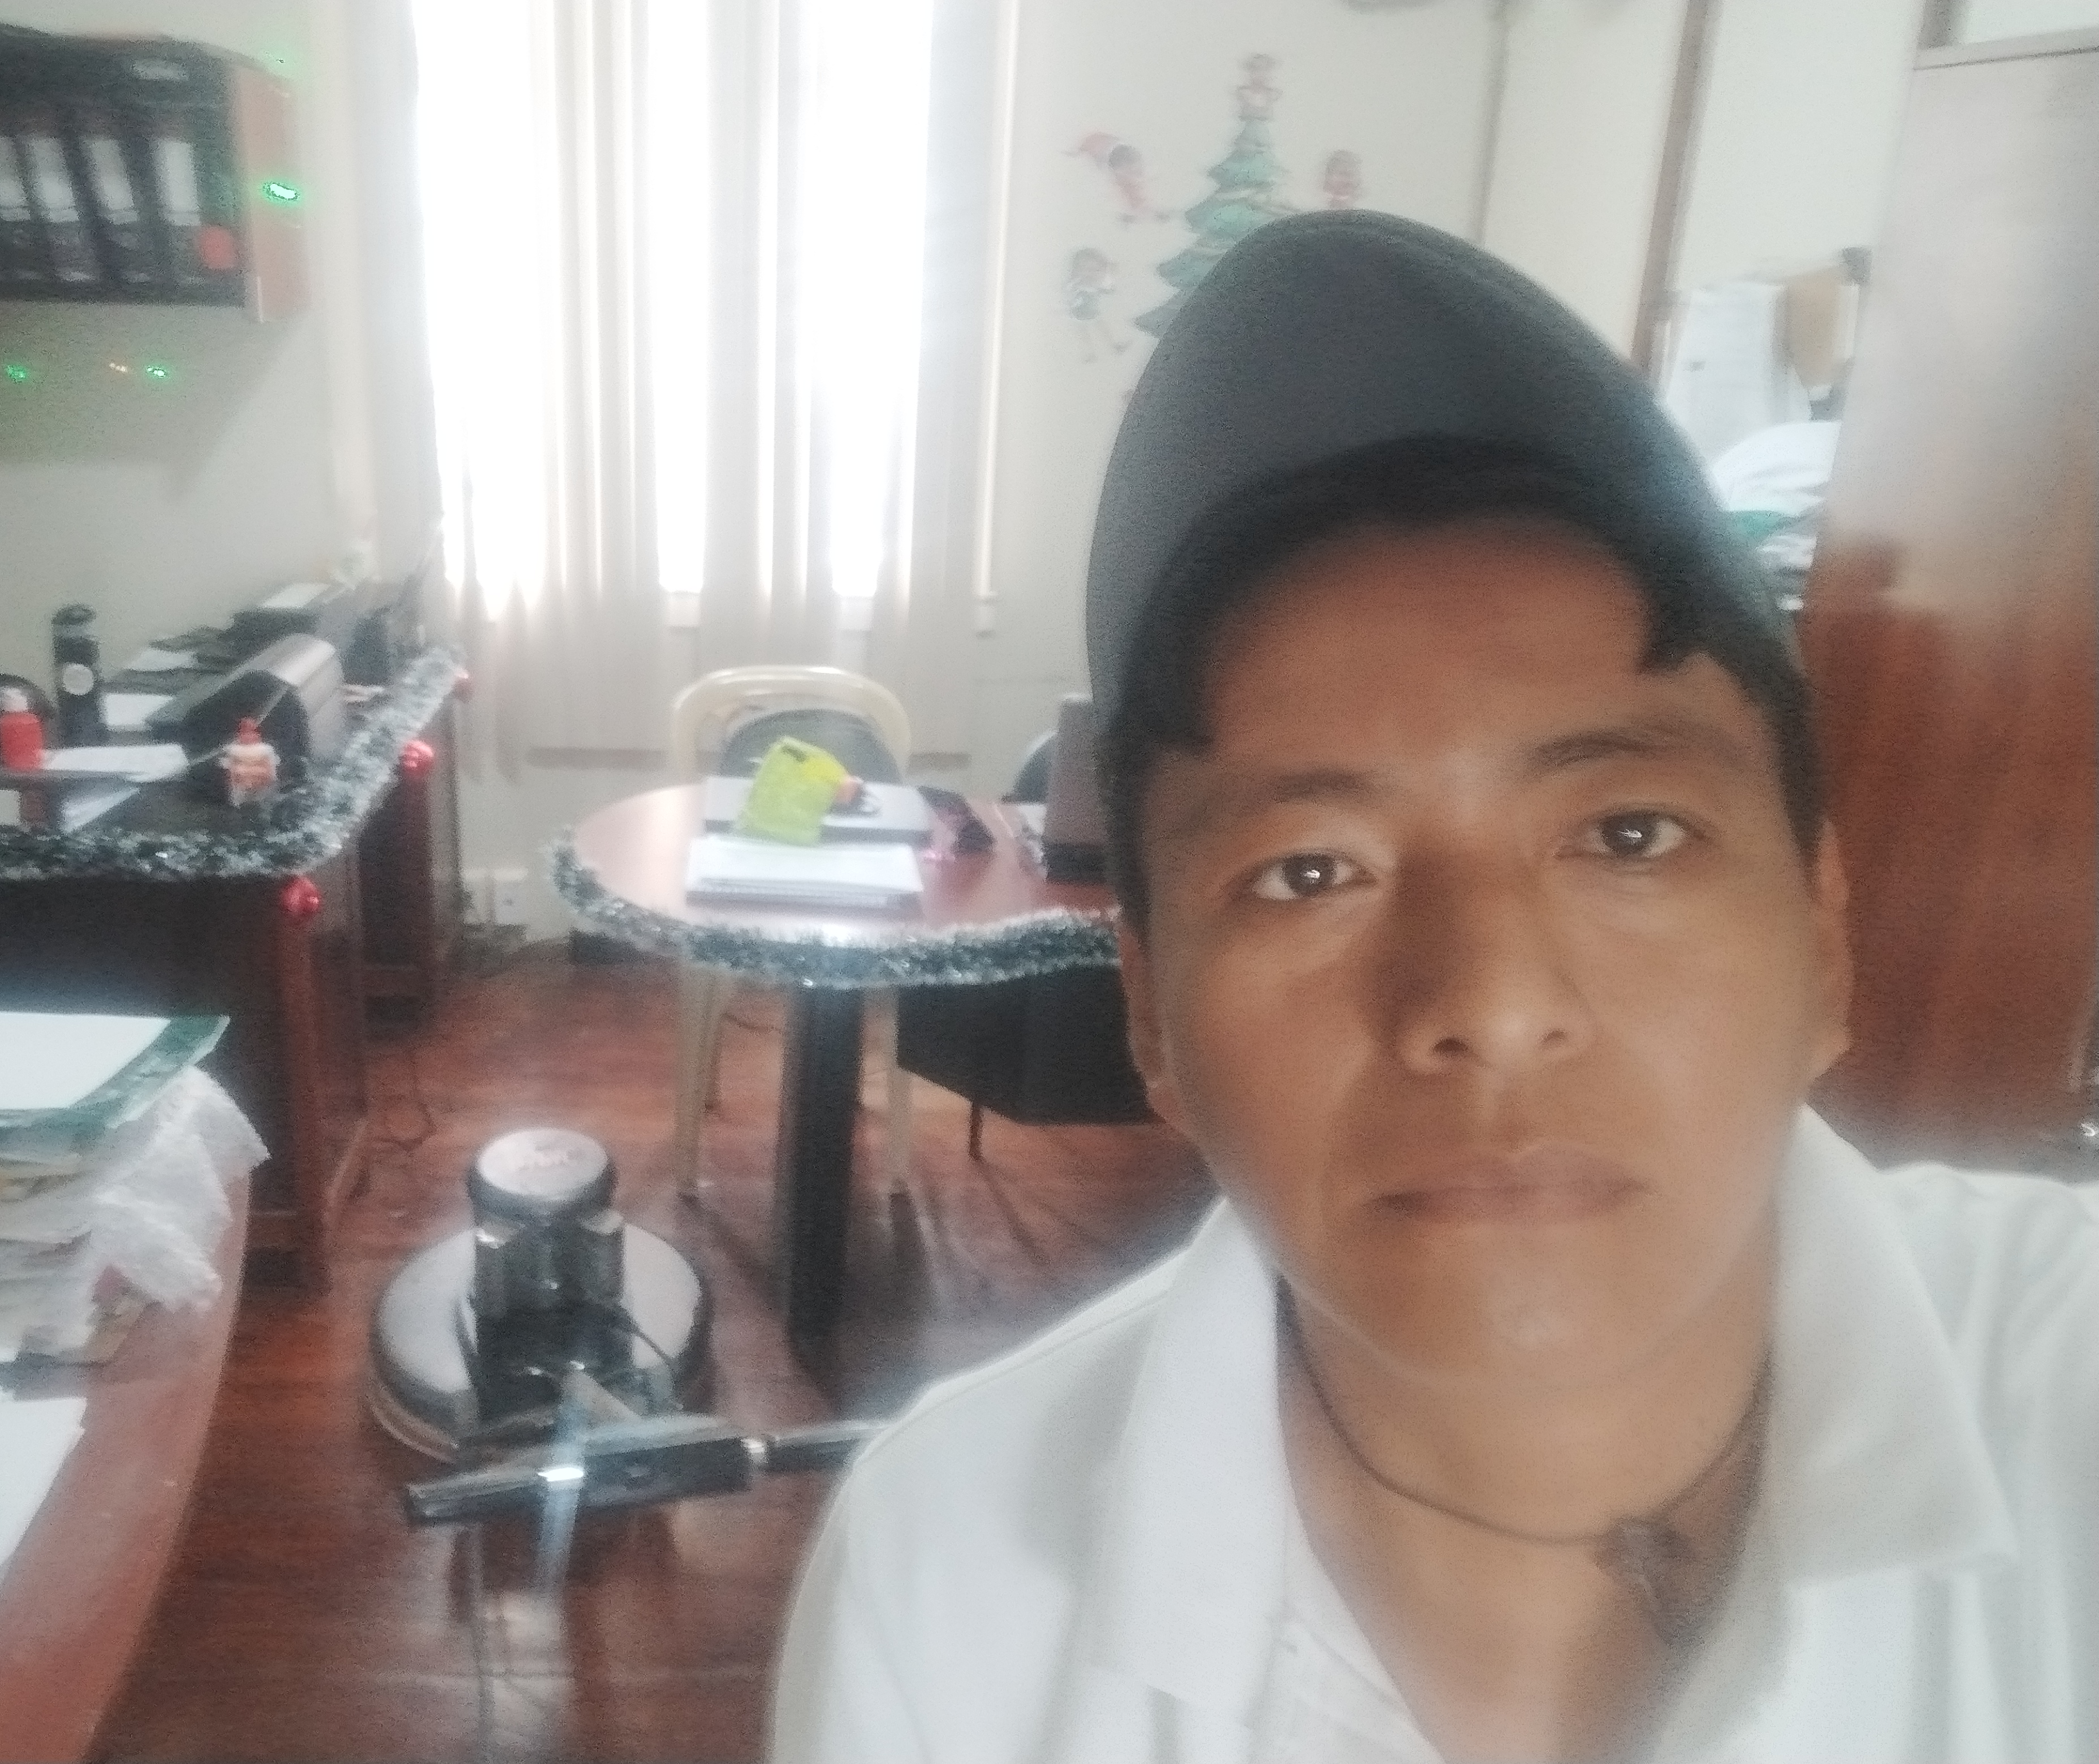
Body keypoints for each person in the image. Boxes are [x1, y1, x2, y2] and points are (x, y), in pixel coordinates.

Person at [767, 213, 2099, 1763]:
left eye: (1629, 835)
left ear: (1825, 942)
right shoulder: (945, 1582)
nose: (1491, 1001)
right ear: (1151, 1019)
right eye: (1307, 871)